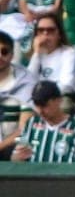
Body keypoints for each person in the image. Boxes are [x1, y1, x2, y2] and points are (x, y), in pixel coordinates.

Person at [10, 80, 75, 163]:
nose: (40, 111)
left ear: (59, 100)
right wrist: (18, 156)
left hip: (60, 175)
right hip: (32, 175)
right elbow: (15, 159)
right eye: (36, 105)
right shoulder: (31, 123)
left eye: (44, 105)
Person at [0, 30, 38, 160]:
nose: (0, 56)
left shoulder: (26, 81)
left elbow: (24, 128)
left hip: (11, 145)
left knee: (20, 154)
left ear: (11, 55)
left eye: (4, 52)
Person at [26, 13, 75, 103]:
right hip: (38, 99)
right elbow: (28, 81)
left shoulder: (68, 53)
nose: (45, 34)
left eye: (50, 30)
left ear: (59, 34)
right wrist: (36, 54)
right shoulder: (37, 55)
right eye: (40, 30)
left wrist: (43, 97)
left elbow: (66, 84)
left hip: (60, 98)